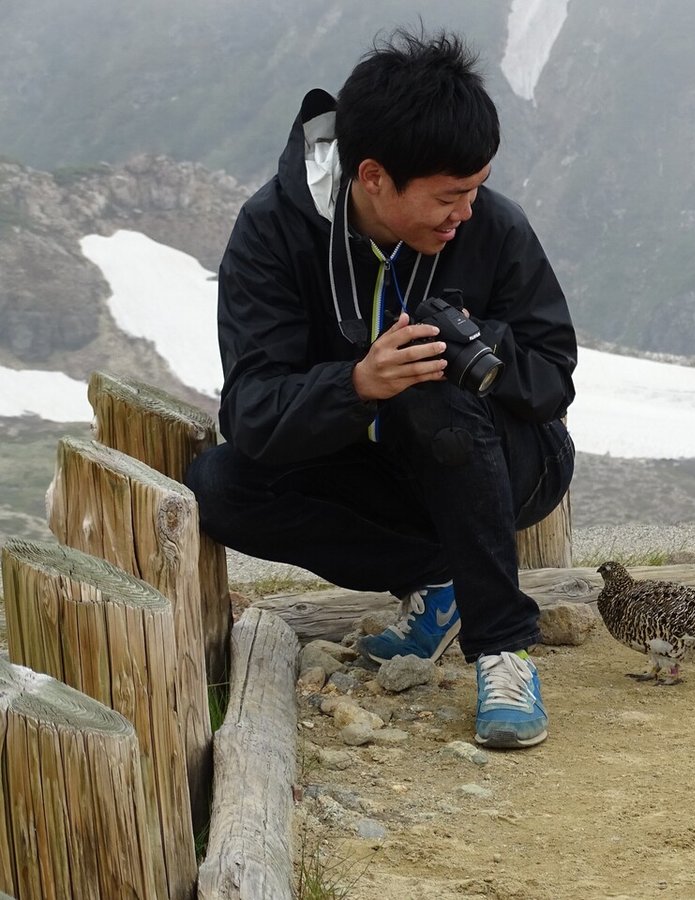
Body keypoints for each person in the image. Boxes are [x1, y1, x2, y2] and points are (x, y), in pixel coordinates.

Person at [185, 28, 576, 750]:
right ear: (373, 177)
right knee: (222, 487)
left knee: (435, 389)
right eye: (449, 196)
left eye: (476, 189)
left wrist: (484, 349)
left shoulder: (492, 226)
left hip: (518, 466)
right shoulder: (272, 233)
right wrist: (358, 383)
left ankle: (502, 650)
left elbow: (555, 378)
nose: (466, 213)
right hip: (378, 467)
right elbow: (250, 411)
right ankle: (439, 582)